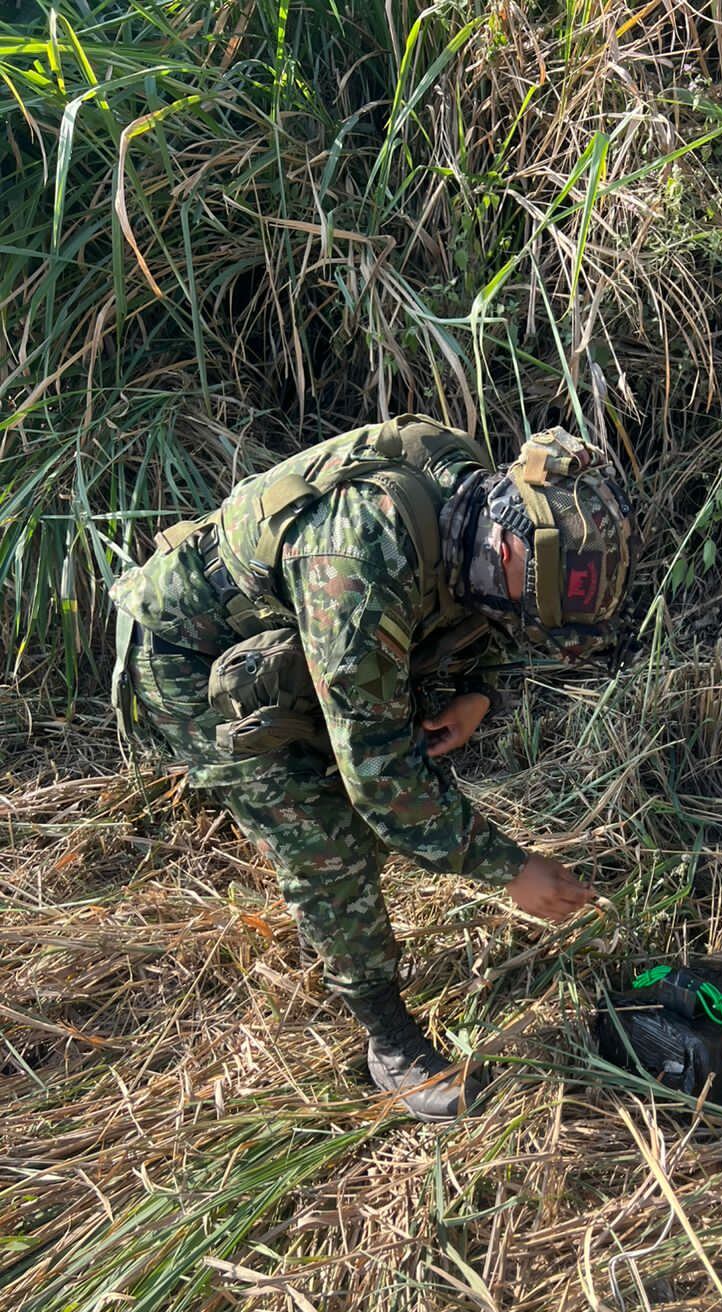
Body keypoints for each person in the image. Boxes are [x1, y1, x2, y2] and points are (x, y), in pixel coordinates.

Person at [110, 417, 637, 1120]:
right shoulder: (360, 556)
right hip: (187, 658)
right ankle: (388, 1042)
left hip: (299, 633)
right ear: (507, 543)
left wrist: (477, 690)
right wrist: (511, 869)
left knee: (374, 739)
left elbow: (477, 610)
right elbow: (378, 780)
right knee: (325, 831)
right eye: (524, 599)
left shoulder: (474, 503)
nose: (523, 620)